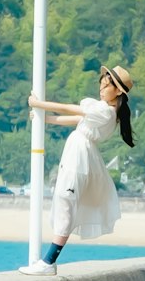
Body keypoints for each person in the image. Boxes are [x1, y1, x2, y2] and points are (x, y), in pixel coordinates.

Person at [27, 64, 133, 266]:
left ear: (118, 91)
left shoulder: (107, 111)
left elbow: (72, 109)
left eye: (106, 87)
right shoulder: (104, 110)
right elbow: (77, 118)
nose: (101, 90)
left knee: (66, 200)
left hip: (81, 155)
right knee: (64, 199)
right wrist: (44, 119)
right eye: (101, 86)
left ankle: (48, 261)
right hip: (78, 152)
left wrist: (40, 104)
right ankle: (47, 261)